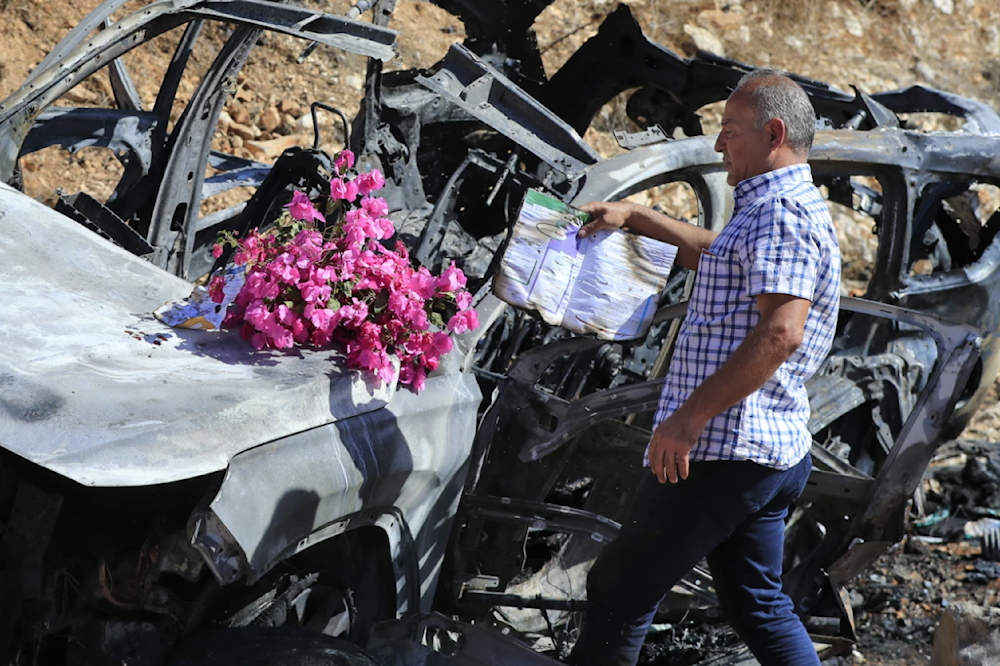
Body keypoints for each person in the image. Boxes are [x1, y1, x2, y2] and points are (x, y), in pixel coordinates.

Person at [565, 69, 841, 666]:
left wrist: (688, 420)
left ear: (773, 132)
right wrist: (635, 217)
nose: (719, 146)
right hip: (765, 450)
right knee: (758, 605)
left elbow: (782, 330)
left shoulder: (783, 214)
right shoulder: (773, 209)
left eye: (729, 131)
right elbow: (716, 254)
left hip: (724, 451)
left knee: (621, 588)